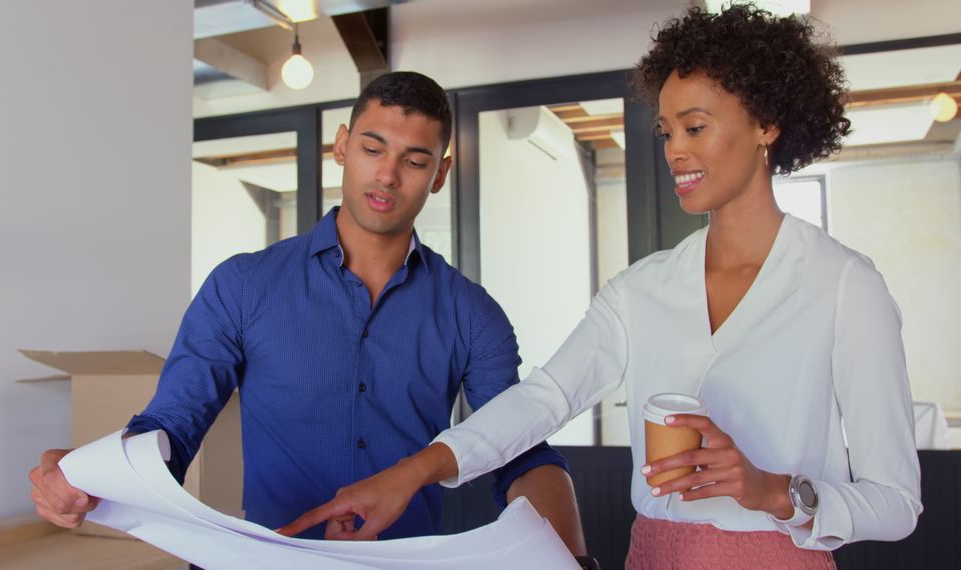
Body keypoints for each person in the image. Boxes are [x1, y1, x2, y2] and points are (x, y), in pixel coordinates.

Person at [281, 6, 923, 568]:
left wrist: (773, 492)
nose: (675, 151)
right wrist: (409, 475)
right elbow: (543, 399)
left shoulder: (844, 287)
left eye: (695, 127)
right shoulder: (641, 290)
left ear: (767, 124)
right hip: (651, 556)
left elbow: (895, 504)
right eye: (667, 131)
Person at [28, 71, 588, 556]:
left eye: (414, 161)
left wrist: (572, 558)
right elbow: (172, 426)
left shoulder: (473, 314)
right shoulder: (243, 285)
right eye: (373, 149)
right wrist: (87, 474)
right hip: (268, 557)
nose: (388, 176)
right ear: (342, 145)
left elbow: (516, 450)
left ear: (439, 174)